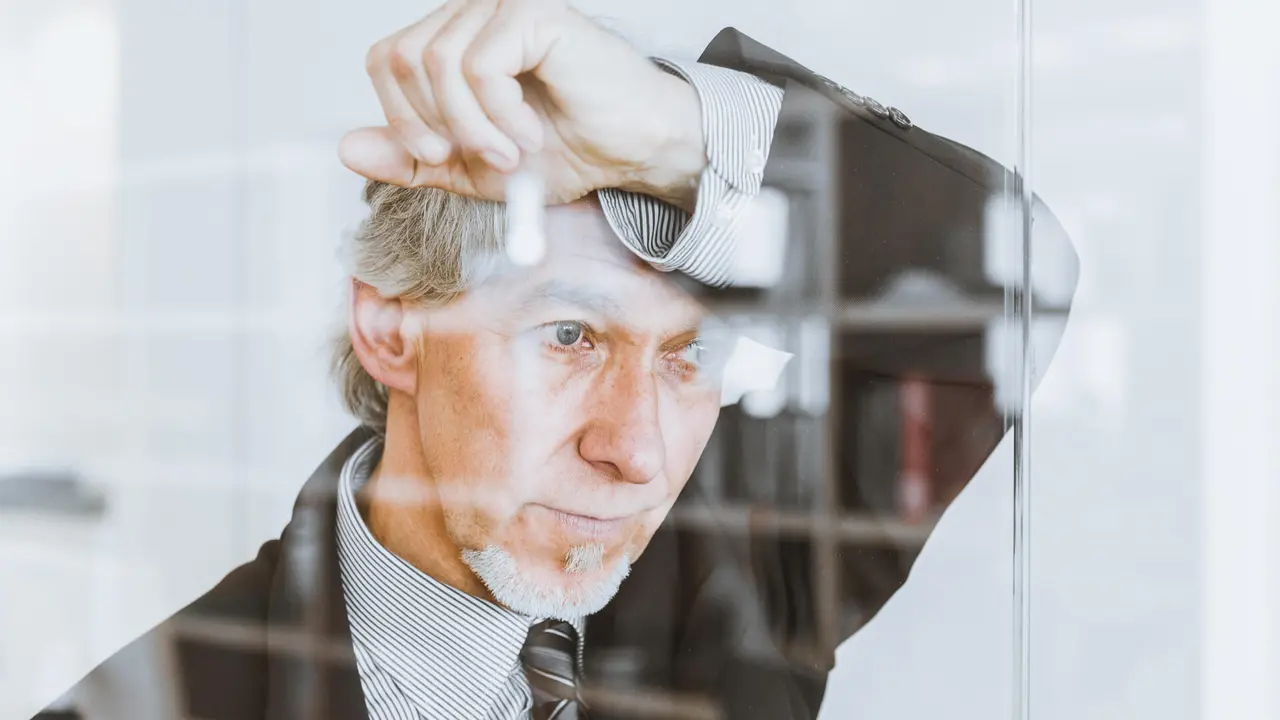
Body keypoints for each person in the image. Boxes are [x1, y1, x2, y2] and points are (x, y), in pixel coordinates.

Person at [33, 1, 1078, 719]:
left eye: (691, 355)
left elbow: (1008, 280)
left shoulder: (726, 574)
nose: (632, 452)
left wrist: (671, 139)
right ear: (393, 328)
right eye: (569, 338)